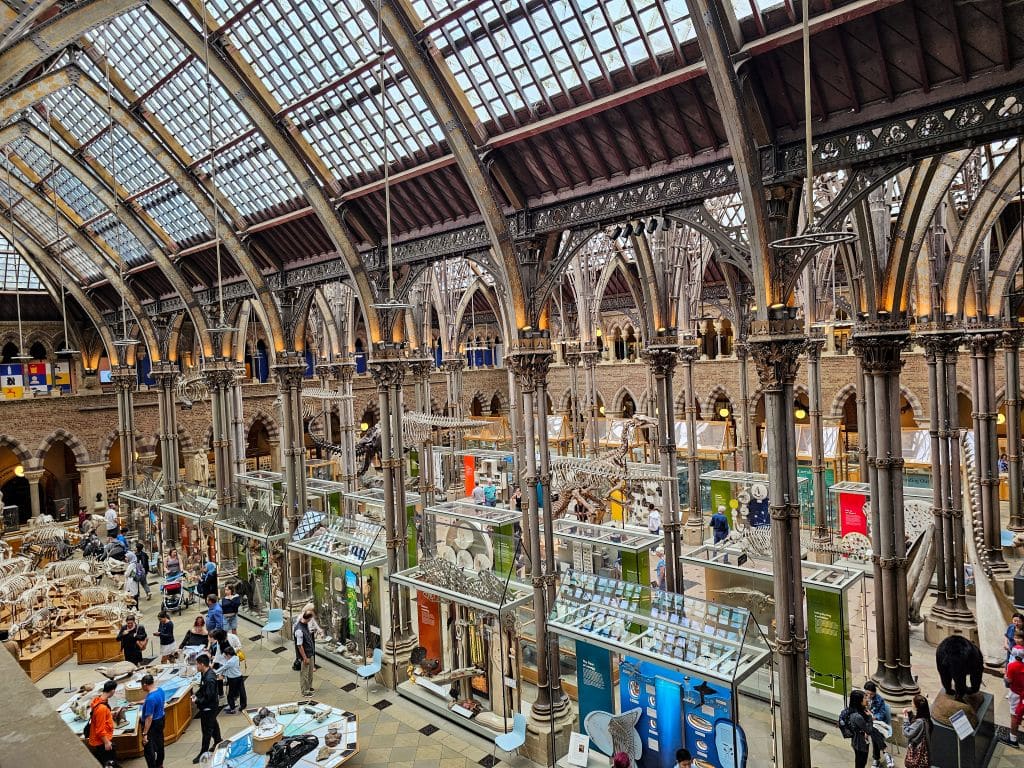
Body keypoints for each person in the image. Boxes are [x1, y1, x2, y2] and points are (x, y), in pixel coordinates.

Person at [193, 654, 221, 764]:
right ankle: (218, 740)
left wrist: (197, 700)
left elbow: (209, 697)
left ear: (202, 664)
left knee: (206, 730)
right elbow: (202, 688)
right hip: (210, 706)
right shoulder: (204, 673)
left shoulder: (210, 678)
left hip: (209, 707)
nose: (196, 666)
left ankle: (203, 752)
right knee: (213, 723)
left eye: (197, 664)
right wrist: (197, 694)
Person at [87, 679, 118, 766]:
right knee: (109, 763)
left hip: (101, 739)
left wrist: (110, 714)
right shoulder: (102, 708)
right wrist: (107, 742)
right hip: (102, 741)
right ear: (112, 691)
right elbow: (100, 729)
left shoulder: (98, 700)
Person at [863, 680, 894, 767]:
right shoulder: (862, 697)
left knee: (873, 731)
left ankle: (876, 759)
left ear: (875, 693)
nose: (869, 696)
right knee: (873, 730)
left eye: (871, 694)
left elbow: (882, 714)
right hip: (865, 723)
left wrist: (873, 717)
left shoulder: (879, 699)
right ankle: (885, 753)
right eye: (867, 693)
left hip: (877, 722)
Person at [140, 673, 166, 768]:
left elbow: (149, 717)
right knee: (160, 744)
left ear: (145, 685)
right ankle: (160, 764)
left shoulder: (150, 698)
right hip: (161, 720)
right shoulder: (160, 691)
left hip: (152, 725)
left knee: (148, 749)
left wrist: (145, 734)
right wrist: (137, 702)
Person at [902, 695, 932, 768]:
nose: (911, 703)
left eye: (912, 702)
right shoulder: (927, 718)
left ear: (916, 706)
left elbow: (907, 733)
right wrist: (910, 714)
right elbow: (916, 726)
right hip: (925, 749)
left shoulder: (920, 722)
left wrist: (905, 720)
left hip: (916, 750)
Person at [847, 689, 874, 768]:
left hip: (860, 741)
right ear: (859, 701)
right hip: (860, 743)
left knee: (861, 762)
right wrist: (870, 717)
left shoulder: (857, 710)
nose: (867, 699)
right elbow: (869, 731)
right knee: (861, 763)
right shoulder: (857, 716)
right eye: (864, 698)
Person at [1004, 645, 1024, 747]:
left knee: (1014, 716)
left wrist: (1004, 675)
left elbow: (1009, 680)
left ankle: (1013, 739)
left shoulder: (1012, 666)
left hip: (1016, 693)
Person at [219, 646, 246, 714]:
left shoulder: (230, 662)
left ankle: (232, 708)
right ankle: (243, 705)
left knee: (230, 694)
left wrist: (215, 672)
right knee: (242, 692)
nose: (224, 656)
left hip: (232, 679)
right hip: (239, 677)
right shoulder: (236, 657)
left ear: (228, 655)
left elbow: (223, 668)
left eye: (225, 655)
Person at [295, 609, 316, 697]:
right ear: (308, 618)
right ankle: (305, 691)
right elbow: (300, 646)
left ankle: (309, 687)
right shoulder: (299, 630)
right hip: (305, 655)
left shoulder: (304, 624)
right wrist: (304, 658)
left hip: (310, 653)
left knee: (310, 672)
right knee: (304, 674)